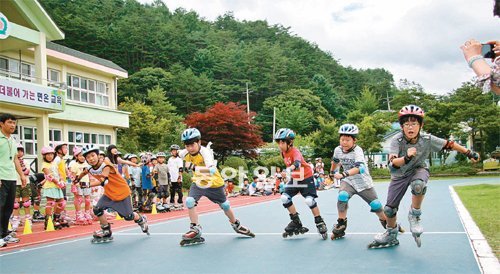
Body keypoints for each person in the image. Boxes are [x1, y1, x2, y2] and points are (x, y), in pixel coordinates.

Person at [369, 105, 480, 248]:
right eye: (406, 124)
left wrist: (468, 152)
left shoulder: (427, 139)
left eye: (414, 123)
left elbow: (449, 145)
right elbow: (392, 163)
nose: (410, 127)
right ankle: (391, 234)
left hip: (418, 169)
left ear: (420, 125)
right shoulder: (396, 140)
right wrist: (407, 157)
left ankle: (414, 215)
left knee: (418, 185)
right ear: (402, 126)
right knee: (389, 210)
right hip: (399, 175)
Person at [178, 128, 254, 246]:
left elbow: (211, 170)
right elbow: (177, 154)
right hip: (199, 182)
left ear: (199, 142)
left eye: (192, 145)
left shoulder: (205, 152)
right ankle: (195, 229)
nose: (190, 148)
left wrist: (193, 167)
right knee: (189, 201)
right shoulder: (184, 153)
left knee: (225, 205)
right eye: (187, 146)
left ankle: (236, 224)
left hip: (214, 183)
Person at [329, 124, 400, 241]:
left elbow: (359, 168)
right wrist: (332, 171)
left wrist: (343, 174)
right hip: (349, 182)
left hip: (363, 182)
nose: (344, 142)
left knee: (376, 205)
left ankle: (390, 225)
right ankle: (341, 224)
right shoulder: (337, 150)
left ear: (354, 140)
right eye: (342, 139)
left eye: (347, 140)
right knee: (342, 196)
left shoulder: (358, 150)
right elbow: (335, 161)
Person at [74, 145, 149, 243]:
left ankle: (141, 219)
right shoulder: (89, 168)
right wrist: (77, 179)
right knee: (97, 209)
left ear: (98, 155)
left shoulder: (106, 165)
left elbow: (103, 181)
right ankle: (106, 231)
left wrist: (87, 184)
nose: (91, 159)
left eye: (93, 155)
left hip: (122, 192)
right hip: (109, 193)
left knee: (128, 217)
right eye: (88, 157)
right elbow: (84, 172)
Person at [274, 128, 328, 239]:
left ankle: (319, 221)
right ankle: (296, 221)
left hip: (306, 177)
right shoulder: (283, 153)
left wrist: (289, 169)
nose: (280, 145)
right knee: (284, 198)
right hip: (295, 179)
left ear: (290, 142)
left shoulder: (295, 151)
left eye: (283, 142)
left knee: (309, 200)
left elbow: (297, 163)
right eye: (278, 142)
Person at [0, 114, 27, 247]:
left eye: (14, 123)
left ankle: (4, 234)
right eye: (9, 122)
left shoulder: (12, 140)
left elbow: (15, 159)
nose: (12, 125)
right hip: (1, 177)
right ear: (1, 123)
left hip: (11, 178)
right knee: (0, 206)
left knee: (8, 207)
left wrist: (21, 175)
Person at [40, 146, 69, 230]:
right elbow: (49, 176)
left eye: (51, 154)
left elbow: (58, 173)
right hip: (50, 186)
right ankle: (48, 221)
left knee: (61, 203)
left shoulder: (54, 163)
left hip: (57, 186)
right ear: (44, 156)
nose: (50, 156)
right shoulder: (44, 164)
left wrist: (62, 180)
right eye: (47, 155)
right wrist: (58, 182)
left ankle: (56, 218)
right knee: (51, 203)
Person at [10, 143, 32, 232]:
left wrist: (21, 165)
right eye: (17, 151)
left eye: (20, 151)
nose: (19, 153)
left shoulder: (26, 162)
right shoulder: (11, 162)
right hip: (15, 183)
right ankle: (15, 220)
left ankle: (28, 220)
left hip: (25, 183)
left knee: (26, 202)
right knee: (15, 204)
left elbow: (26, 172)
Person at [69, 146, 92, 225]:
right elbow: (73, 175)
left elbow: (90, 174)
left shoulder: (87, 164)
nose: (82, 157)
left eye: (83, 155)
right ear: (76, 156)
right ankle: (79, 214)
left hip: (87, 183)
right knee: (79, 200)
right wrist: (74, 184)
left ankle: (87, 213)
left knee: (88, 200)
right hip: (78, 184)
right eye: (80, 156)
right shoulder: (74, 164)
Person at [167, 144, 184, 210]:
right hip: (171, 178)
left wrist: (179, 177)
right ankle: (172, 203)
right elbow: (168, 168)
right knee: (172, 191)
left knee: (179, 191)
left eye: (175, 151)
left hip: (177, 178)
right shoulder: (170, 159)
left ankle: (180, 203)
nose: (174, 152)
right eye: (173, 151)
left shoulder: (179, 159)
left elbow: (180, 168)